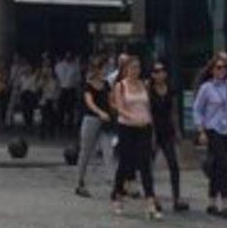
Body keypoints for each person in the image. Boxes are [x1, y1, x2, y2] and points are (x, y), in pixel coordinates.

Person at [193, 53, 227, 219]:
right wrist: (201, 130)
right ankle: (226, 202)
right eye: (219, 67)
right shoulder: (206, 88)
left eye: (225, 67)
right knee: (222, 164)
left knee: (216, 166)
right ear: (212, 70)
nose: (222, 70)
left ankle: (211, 201)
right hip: (213, 129)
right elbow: (197, 109)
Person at [111, 56, 161, 220]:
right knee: (125, 164)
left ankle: (150, 201)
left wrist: (151, 127)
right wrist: (132, 117)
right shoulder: (121, 86)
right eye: (132, 68)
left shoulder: (144, 85)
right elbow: (119, 107)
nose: (135, 71)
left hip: (144, 128)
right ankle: (118, 196)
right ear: (126, 69)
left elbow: (149, 107)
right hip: (127, 127)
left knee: (145, 164)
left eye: (137, 68)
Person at [148, 59, 188, 213]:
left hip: (168, 131)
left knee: (174, 165)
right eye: (156, 71)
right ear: (152, 75)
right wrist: (150, 133)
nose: (160, 74)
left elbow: (174, 111)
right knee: (149, 166)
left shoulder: (171, 89)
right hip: (153, 130)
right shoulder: (149, 89)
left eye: (162, 70)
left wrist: (177, 131)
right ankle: (152, 197)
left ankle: (176, 198)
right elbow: (148, 111)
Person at [74, 56, 116, 199]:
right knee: (86, 151)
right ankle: (80, 181)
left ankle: (113, 183)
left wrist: (116, 110)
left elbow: (111, 100)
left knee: (108, 151)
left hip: (105, 122)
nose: (105, 71)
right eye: (103, 68)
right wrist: (100, 112)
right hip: (91, 119)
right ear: (97, 69)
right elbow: (89, 102)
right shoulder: (88, 84)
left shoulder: (106, 84)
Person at [55, 52, 82, 132]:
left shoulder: (75, 67)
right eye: (67, 56)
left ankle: (69, 127)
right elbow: (56, 77)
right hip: (62, 89)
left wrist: (78, 92)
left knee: (70, 110)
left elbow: (78, 80)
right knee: (60, 109)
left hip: (71, 89)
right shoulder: (59, 66)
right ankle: (60, 126)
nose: (68, 58)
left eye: (70, 57)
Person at [38, 61, 60, 139]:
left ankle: (52, 133)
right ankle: (42, 134)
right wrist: (43, 80)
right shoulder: (43, 79)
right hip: (45, 99)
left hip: (52, 99)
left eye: (50, 70)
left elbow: (58, 90)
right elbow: (39, 87)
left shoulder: (55, 80)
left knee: (52, 118)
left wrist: (56, 100)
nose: (48, 71)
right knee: (43, 117)